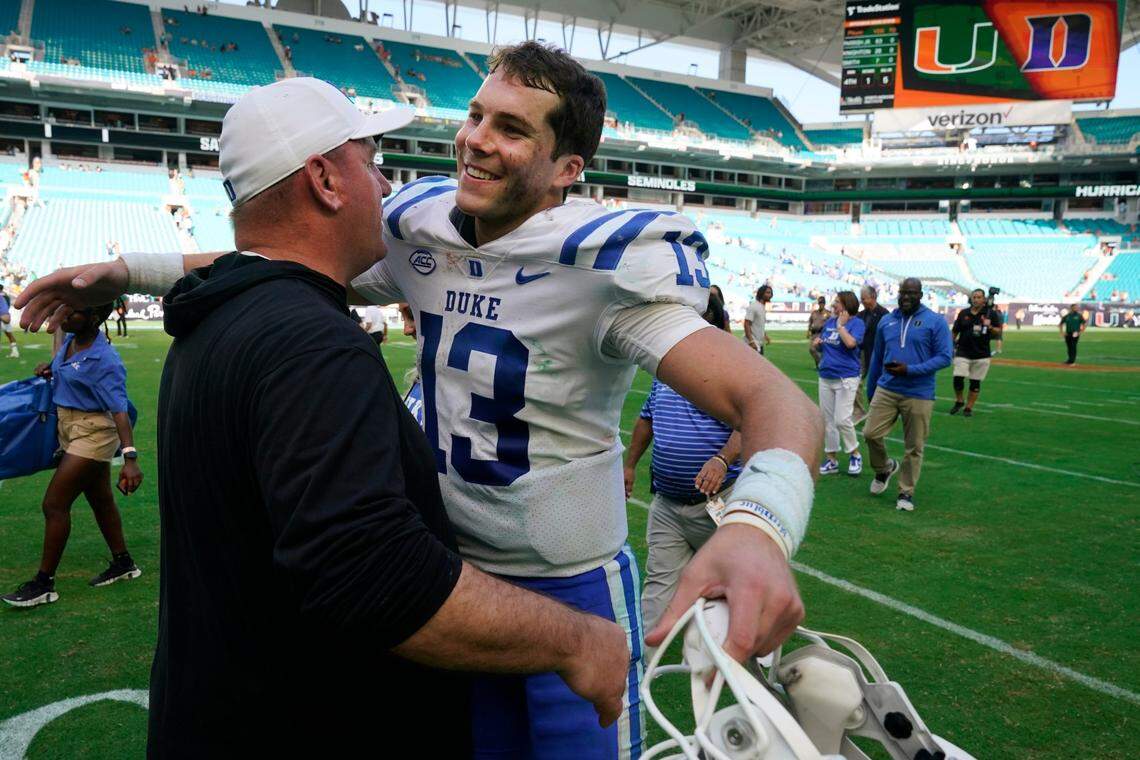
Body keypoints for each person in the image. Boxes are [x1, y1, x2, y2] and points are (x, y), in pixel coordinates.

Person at [17, 47, 822, 758]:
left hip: (567, 582)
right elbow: (274, 253)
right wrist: (131, 270)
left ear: (568, 169)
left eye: (512, 128)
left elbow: (773, 400)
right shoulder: (418, 230)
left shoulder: (604, 267)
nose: (475, 139)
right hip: (452, 588)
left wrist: (759, 527)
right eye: (475, 115)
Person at [2, 304, 142, 608]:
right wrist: (49, 368)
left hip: (93, 432)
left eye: (72, 313)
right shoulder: (71, 341)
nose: (64, 317)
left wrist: (130, 459)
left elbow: (119, 410)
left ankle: (44, 584)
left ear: (93, 318)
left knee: (54, 504)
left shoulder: (106, 360)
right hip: (68, 425)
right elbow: (67, 371)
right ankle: (124, 563)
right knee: (100, 498)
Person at [622, 299, 742, 641]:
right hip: (668, 502)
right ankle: (643, 660)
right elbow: (646, 418)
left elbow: (749, 422)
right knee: (658, 586)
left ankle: (749, 649)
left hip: (719, 502)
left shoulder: (730, 367)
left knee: (734, 579)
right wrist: (629, 465)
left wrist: (721, 459)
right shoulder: (668, 371)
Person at [863, 278, 953, 512]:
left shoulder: (935, 321)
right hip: (887, 388)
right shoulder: (887, 321)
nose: (906, 297)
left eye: (911, 293)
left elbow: (945, 357)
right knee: (870, 433)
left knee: (914, 446)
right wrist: (871, 389)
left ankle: (906, 492)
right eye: (903, 292)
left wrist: (910, 370)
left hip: (919, 393)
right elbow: (877, 357)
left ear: (920, 295)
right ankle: (884, 468)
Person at [814, 291, 864, 477]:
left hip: (846, 378)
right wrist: (819, 343)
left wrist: (841, 327)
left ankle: (855, 454)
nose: (833, 305)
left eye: (837, 302)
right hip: (826, 376)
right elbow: (827, 342)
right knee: (828, 421)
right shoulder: (829, 321)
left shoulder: (856, 323)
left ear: (847, 305)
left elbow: (851, 344)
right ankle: (831, 459)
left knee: (842, 419)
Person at [950, 289, 1002, 417]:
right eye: (974, 297)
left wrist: (989, 327)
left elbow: (998, 332)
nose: (976, 299)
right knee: (958, 377)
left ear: (984, 299)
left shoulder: (990, 314)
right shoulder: (964, 313)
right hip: (963, 351)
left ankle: (968, 407)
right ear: (971, 299)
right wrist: (950, 345)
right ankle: (959, 400)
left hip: (982, 353)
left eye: (979, 297)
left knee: (975, 381)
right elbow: (955, 331)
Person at [853, 285, 888, 424]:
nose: (862, 301)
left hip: (878, 355)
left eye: (864, 298)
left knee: (877, 386)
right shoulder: (860, 315)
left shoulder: (884, 315)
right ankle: (859, 411)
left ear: (873, 297)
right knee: (855, 382)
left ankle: (877, 412)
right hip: (861, 354)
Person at [743, 284, 772, 353]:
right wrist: (751, 341)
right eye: (767, 293)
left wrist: (765, 335)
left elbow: (759, 324)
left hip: (759, 343)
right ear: (761, 293)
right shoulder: (754, 306)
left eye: (770, 293)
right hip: (752, 344)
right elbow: (747, 324)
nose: (770, 295)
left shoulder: (762, 307)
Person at [807, 295, 829, 368]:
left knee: (816, 349)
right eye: (820, 303)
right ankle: (820, 364)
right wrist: (808, 331)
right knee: (812, 349)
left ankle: (820, 364)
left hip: (822, 334)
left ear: (824, 303)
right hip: (814, 334)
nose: (821, 304)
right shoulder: (814, 313)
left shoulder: (828, 313)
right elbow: (810, 322)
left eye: (822, 303)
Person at [1, 283, 18, 357]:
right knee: (9, 335)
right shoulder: (5, 297)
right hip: (6, 316)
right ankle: (15, 351)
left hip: (3, 317)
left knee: (9, 334)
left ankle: (15, 352)